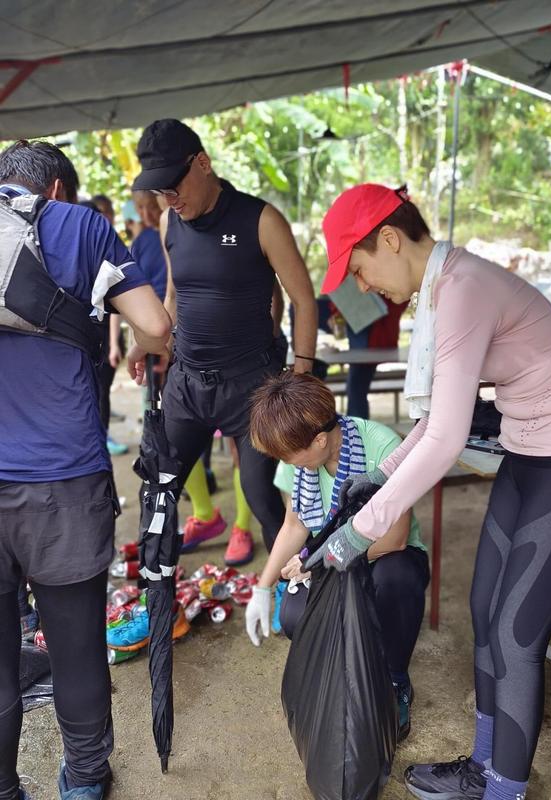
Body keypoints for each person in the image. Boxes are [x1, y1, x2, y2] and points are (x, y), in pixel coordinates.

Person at [308, 183, 551, 800]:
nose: (364, 286)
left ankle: (504, 789)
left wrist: (360, 529)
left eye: (361, 267)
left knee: (515, 635)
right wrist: (380, 474)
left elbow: (449, 437)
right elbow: (433, 422)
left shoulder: (462, 288)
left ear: (391, 240)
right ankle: (485, 766)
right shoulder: (439, 290)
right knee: (484, 611)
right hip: (528, 460)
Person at [0, 140, 171, 800]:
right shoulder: (81, 227)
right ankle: (85, 782)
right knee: (74, 646)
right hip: (62, 483)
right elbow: (154, 325)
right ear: (57, 190)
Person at [129, 118, 317, 563]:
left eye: (174, 188)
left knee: (260, 494)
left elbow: (303, 300)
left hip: (251, 386)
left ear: (203, 164)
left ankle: (293, 586)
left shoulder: (261, 219)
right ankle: (158, 603)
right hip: (187, 383)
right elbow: (174, 297)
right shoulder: (167, 226)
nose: (169, 201)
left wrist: (303, 373)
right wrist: (146, 341)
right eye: (160, 193)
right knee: (159, 485)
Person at [244, 371, 429, 740]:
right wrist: (262, 588)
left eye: (291, 456)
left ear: (320, 439)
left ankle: (394, 680)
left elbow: (393, 539)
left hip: (383, 557)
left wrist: (319, 564)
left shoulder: (381, 446)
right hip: (327, 561)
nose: (287, 463)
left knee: (397, 581)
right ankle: (350, 671)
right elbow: (295, 526)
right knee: (294, 618)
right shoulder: (298, 454)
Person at [92, 193, 129, 456]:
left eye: (108, 211)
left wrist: (115, 343)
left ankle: (101, 440)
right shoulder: (89, 246)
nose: (106, 216)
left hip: (106, 338)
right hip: (93, 338)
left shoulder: (111, 246)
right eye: (101, 211)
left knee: (102, 393)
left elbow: (115, 302)